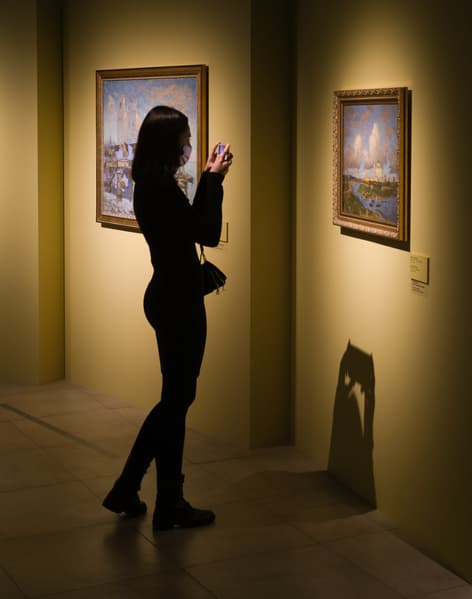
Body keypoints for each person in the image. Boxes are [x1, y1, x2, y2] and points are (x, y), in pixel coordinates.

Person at [102, 105, 232, 531]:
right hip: (179, 303)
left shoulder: (150, 185)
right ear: (168, 143)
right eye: (184, 140)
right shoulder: (160, 189)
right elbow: (207, 231)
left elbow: (190, 225)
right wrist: (215, 180)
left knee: (175, 401)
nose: (188, 147)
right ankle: (157, 497)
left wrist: (208, 177)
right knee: (176, 402)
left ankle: (145, 493)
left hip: (167, 295)